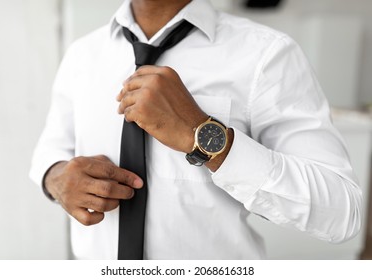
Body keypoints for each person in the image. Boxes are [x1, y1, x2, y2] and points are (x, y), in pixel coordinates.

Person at [30, 0, 362, 260]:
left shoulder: (267, 55)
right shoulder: (82, 54)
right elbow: (52, 150)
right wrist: (55, 178)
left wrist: (200, 132)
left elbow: (342, 212)